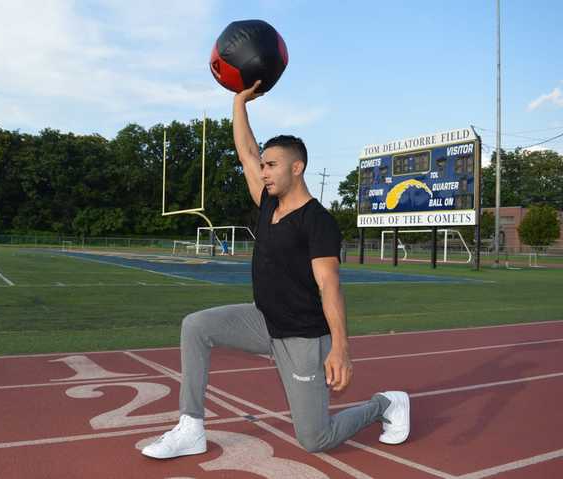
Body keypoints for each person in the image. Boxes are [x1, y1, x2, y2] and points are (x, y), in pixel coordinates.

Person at [142, 80, 410, 459]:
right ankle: (191, 427)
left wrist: (341, 348)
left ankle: (385, 404)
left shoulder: (318, 222)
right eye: (263, 166)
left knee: (316, 440)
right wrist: (239, 102)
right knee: (196, 325)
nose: (263, 172)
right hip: (264, 321)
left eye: (272, 166)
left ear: (297, 168)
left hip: (302, 336)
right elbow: (245, 151)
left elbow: (329, 285)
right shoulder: (268, 204)